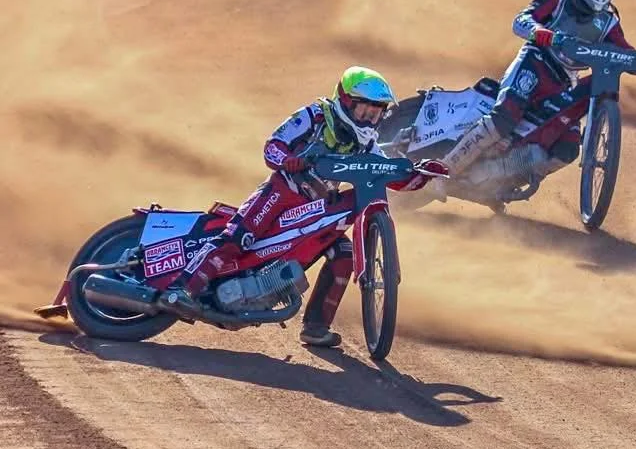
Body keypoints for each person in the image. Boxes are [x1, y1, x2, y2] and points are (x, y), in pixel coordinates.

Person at [158, 67, 433, 347]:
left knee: (344, 254)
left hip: (318, 207)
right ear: (345, 101)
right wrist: (289, 160)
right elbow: (272, 146)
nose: (368, 119)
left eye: (375, 114)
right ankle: (182, 289)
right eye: (364, 111)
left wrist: (421, 175)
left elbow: (387, 174)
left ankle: (315, 328)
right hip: (282, 192)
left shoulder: (368, 143)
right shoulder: (314, 115)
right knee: (238, 237)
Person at [434, 0, 636, 188]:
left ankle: (495, 179)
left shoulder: (608, 21)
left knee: (567, 148)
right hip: (534, 62)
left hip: (565, 84)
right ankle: (440, 172)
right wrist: (538, 31)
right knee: (505, 116)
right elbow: (522, 19)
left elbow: (623, 53)